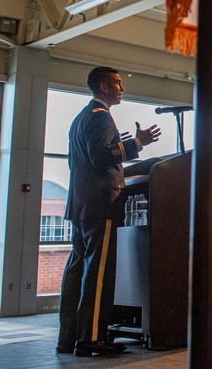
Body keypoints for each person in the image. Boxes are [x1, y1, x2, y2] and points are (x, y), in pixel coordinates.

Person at [58, 67, 161, 357]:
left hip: (81, 205)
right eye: (117, 83)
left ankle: (69, 337)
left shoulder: (82, 118)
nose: (121, 88)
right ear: (103, 87)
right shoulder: (101, 116)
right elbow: (101, 156)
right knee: (98, 274)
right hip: (101, 205)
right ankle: (91, 338)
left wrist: (122, 144)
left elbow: (81, 161)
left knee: (77, 272)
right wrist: (137, 143)